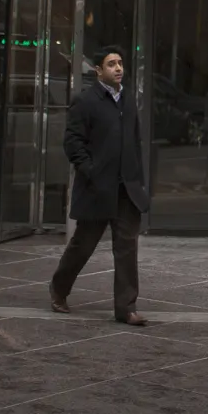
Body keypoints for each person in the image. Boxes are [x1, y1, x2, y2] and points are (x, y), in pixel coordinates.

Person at [48, 45, 152, 326]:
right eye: (111, 64)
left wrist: (137, 179)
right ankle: (59, 288)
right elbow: (73, 142)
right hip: (97, 187)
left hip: (125, 188)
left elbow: (134, 141)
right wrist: (90, 170)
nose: (118, 68)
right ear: (98, 70)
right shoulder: (85, 101)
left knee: (127, 248)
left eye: (120, 63)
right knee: (84, 244)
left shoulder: (128, 99)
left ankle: (126, 308)